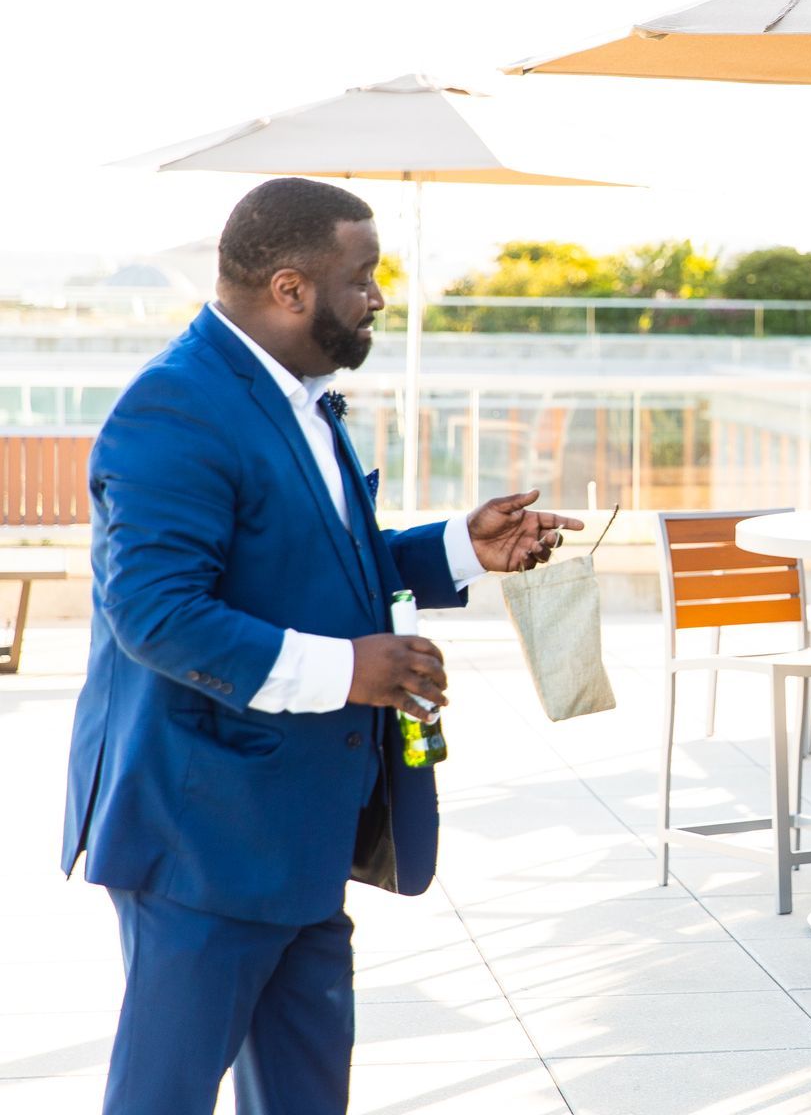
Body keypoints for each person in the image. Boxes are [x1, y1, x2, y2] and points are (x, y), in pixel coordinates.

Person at [63, 177, 585, 1115]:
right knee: (162, 1097)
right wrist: (351, 670)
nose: (379, 297)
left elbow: (320, 563)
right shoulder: (174, 410)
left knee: (306, 1098)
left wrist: (462, 548)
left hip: (300, 831)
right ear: (292, 289)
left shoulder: (297, 397)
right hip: (204, 838)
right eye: (364, 276)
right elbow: (154, 613)